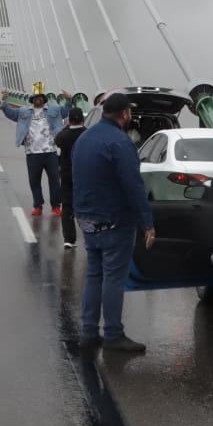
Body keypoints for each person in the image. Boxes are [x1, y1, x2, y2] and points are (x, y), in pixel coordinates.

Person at [71, 92, 155, 352]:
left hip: (86, 218)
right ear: (125, 114)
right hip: (115, 221)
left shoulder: (84, 138)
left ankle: (88, 332)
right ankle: (113, 335)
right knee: (113, 278)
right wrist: (147, 223)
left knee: (94, 274)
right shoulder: (121, 143)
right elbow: (133, 186)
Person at [1, 91, 68, 217]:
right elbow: (11, 114)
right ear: (32, 99)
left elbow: (65, 111)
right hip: (32, 152)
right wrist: (4, 102)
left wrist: (69, 100)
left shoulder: (54, 109)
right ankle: (38, 206)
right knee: (34, 181)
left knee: (55, 181)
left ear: (44, 99)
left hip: (51, 151)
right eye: (36, 97)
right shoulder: (23, 111)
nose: (39, 99)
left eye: (41, 97)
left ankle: (56, 206)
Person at [54, 107, 89, 248]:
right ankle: (89, 236)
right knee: (86, 207)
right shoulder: (88, 134)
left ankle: (69, 239)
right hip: (85, 177)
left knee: (67, 207)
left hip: (67, 176)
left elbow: (57, 156)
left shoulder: (61, 137)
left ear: (69, 120)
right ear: (83, 119)